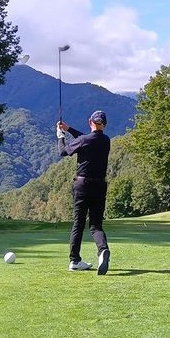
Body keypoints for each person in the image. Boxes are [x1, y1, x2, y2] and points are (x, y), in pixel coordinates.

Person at [57, 110, 111, 274]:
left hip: (82, 186)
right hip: (100, 186)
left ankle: (74, 260)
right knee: (95, 225)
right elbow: (86, 139)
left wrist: (61, 135)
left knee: (78, 224)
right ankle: (102, 251)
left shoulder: (85, 140)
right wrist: (69, 128)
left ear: (90, 122)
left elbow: (63, 152)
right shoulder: (106, 140)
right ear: (105, 124)